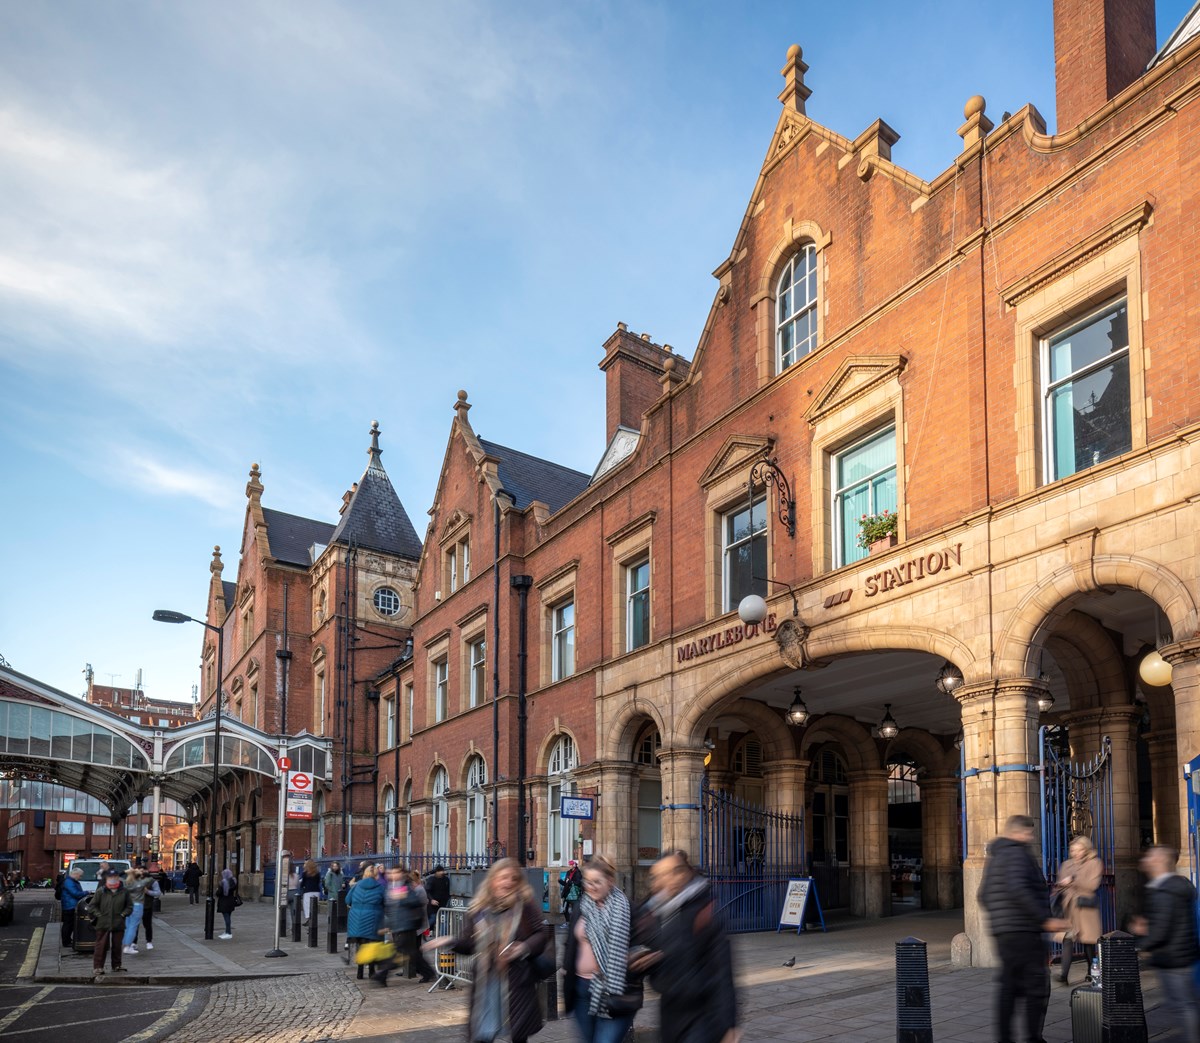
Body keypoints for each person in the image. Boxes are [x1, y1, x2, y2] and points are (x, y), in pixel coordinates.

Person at [424, 857, 548, 1043]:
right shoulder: (479, 909)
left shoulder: (525, 905)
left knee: (518, 1032)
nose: (508, 882)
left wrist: (523, 947)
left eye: (513, 879)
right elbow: (469, 944)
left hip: (516, 981)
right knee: (482, 1033)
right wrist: (450, 940)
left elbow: (541, 933)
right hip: (486, 982)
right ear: (492, 880)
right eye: (503, 877)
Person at [632, 850, 739, 1043]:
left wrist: (728, 1025)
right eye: (656, 877)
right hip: (670, 1011)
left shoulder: (705, 912)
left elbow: (723, 972)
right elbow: (643, 952)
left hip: (702, 1013)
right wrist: (644, 960)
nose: (660, 882)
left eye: (666, 874)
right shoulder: (655, 911)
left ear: (682, 875)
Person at [978, 814, 1067, 1043]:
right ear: (1019, 833)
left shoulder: (996, 857)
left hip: (1004, 933)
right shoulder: (1017, 853)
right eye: (1029, 833)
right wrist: (1044, 920)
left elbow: (983, 895)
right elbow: (1019, 890)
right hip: (1024, 931)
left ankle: (1005, 1038)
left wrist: (1000, 919)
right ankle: (1032, 1037)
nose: (1031, 837)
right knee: (1037, 985)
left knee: (1009, 986)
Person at [563, 854, 638, 1043]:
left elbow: (643, 944)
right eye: (588, 882)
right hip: (581, 989)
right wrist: (566, 966)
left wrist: (632, 960)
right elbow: (571, 942)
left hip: (614, 991)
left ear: (610, 881)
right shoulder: (582, 906)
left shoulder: (627, 909)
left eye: (597, 882)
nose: (591, 887)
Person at [1130, 845, 1200, 1043]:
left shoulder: (1164, 891)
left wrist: (1141, 942)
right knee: (1186, 1004)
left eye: (1150, 857)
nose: (1146, 860)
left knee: (1183, 1006)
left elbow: (1161, 929)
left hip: (1172, 958)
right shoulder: (1175, 886)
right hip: (1182, 954)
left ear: (1160, 861)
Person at [1054, 834, 1103, 984]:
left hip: (1085, 908)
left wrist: (1073, 881)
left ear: (1087, 849)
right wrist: (1065, 884)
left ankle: (1090, 971)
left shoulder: (1095, 863)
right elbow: (1060, 883)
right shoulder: (1066, 864)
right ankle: (1064, 976)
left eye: (1079, 850)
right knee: (1067, 940)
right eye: (1073, 850)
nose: (1075, 853)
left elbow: (1092, 885)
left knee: (1088, 942)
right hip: (1069, 908)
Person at [375, 868, 435, 986]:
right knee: (412, 953)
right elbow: (389, 908)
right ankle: (428, 972)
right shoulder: (389, 887)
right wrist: (386, 925)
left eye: (395, 872)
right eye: (391, 872)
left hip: (406, 925)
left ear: (401, 874)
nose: (392, 874)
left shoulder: (406, 886)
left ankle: (382, 974)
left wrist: (403, 898)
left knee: (398, 952)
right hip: (397, 925)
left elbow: (415, 901)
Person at [90, 869, 133, 979]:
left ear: (118, 878)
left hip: (118, 922)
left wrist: (123, 914)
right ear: (107, 879)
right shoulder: (101, 891)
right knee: (101, 946)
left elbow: (129, 906)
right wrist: (99, 914)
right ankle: (98, 967)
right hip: (103, 922)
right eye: (110, 877)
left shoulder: (124, 891)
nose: (113, 879)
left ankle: (117, 965)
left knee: (117, 945)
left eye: (115, 877)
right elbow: (92, 905)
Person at [346, 863, 385, 979]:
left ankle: (359, 972)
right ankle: (371, 971)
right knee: (371, 946)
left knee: (361, 945)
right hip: (373, 919)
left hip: (356, 920)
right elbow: (386, 903)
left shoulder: (356, 886)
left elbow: (347, 900)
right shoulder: (380, 888)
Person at [122, 868, 151, 955]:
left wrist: (126, 872)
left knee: (127, 926)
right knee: (133, 926)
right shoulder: (140, 883)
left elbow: (119, 877)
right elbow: (150, 879)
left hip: (128, 906)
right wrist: (143, 872)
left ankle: (125, 944)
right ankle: (128, 946)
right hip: (138, 905)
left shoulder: (126, 883)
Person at [135, 870, 163, 951]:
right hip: (135, 907)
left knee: (147, 925)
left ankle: (149, 941)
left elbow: (157, 893)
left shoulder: (152, 882)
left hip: (146, 906)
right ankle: (134, 943)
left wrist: (148, 892)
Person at [60, 866, 85, 948]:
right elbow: (76, 893)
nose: (80, 877)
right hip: (69, 906)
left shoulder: (71, 881)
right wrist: (87, 892)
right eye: (80, 875)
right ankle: (66, 941)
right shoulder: (69, 882)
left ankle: (68, 939)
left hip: (71, 905)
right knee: (68, 925)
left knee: (70, 925)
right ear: (75, 874)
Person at [427, 864, 451, 932]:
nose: (442, 873)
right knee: (433, 919)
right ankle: (422, 932)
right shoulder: (431, 879)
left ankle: (441, 937)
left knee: (444, 921)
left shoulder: (446, 879)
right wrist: (431, 900)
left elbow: (448, 891)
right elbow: (427, 891)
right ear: (436, 872)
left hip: (443, 904)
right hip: (434, 906)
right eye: (440, 871)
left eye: (442, 871)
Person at [216, 868, 239, 939]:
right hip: (231, 901)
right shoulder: (234, 881)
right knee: (228, 916)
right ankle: (227, 931)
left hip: (224, 902)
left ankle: (228, 933)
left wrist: (217, 891)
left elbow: (219, 893)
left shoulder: (223, 882)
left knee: (226, 918)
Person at [300, 858, 322, 925]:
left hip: (308, 891)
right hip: (316, 891)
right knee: (314, 906)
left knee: (307, 906)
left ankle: (309, 919)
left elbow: (303, 882)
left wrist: (301, 887)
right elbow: (318, 881)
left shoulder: (305, 873)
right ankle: (313, 919)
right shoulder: (317, 873)